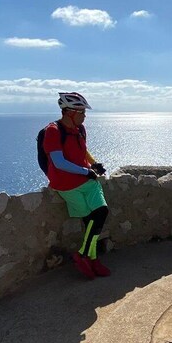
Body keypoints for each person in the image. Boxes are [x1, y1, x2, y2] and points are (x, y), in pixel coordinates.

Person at [41, 92, 111, 279]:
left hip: (87, 180)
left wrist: (94, 164)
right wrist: (86, 171)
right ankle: (92, 259)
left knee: (101, 213)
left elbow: (83, 151)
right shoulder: (53, 131)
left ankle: (82, 255)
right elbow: (58, 162)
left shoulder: (80, 129)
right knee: (90, 221)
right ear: (69, 112)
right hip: (67, 185)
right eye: (81, 111)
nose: (84, 115)